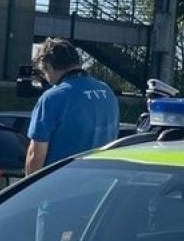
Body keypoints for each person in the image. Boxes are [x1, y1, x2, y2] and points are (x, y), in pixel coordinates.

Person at [24, 37, 120, 174]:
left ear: (49, 67)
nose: (45, 78)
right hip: (100, 182)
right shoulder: (107, 92)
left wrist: (27, 189)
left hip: (62, 184)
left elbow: (36, 154)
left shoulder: (52, 98)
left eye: (43, 72)